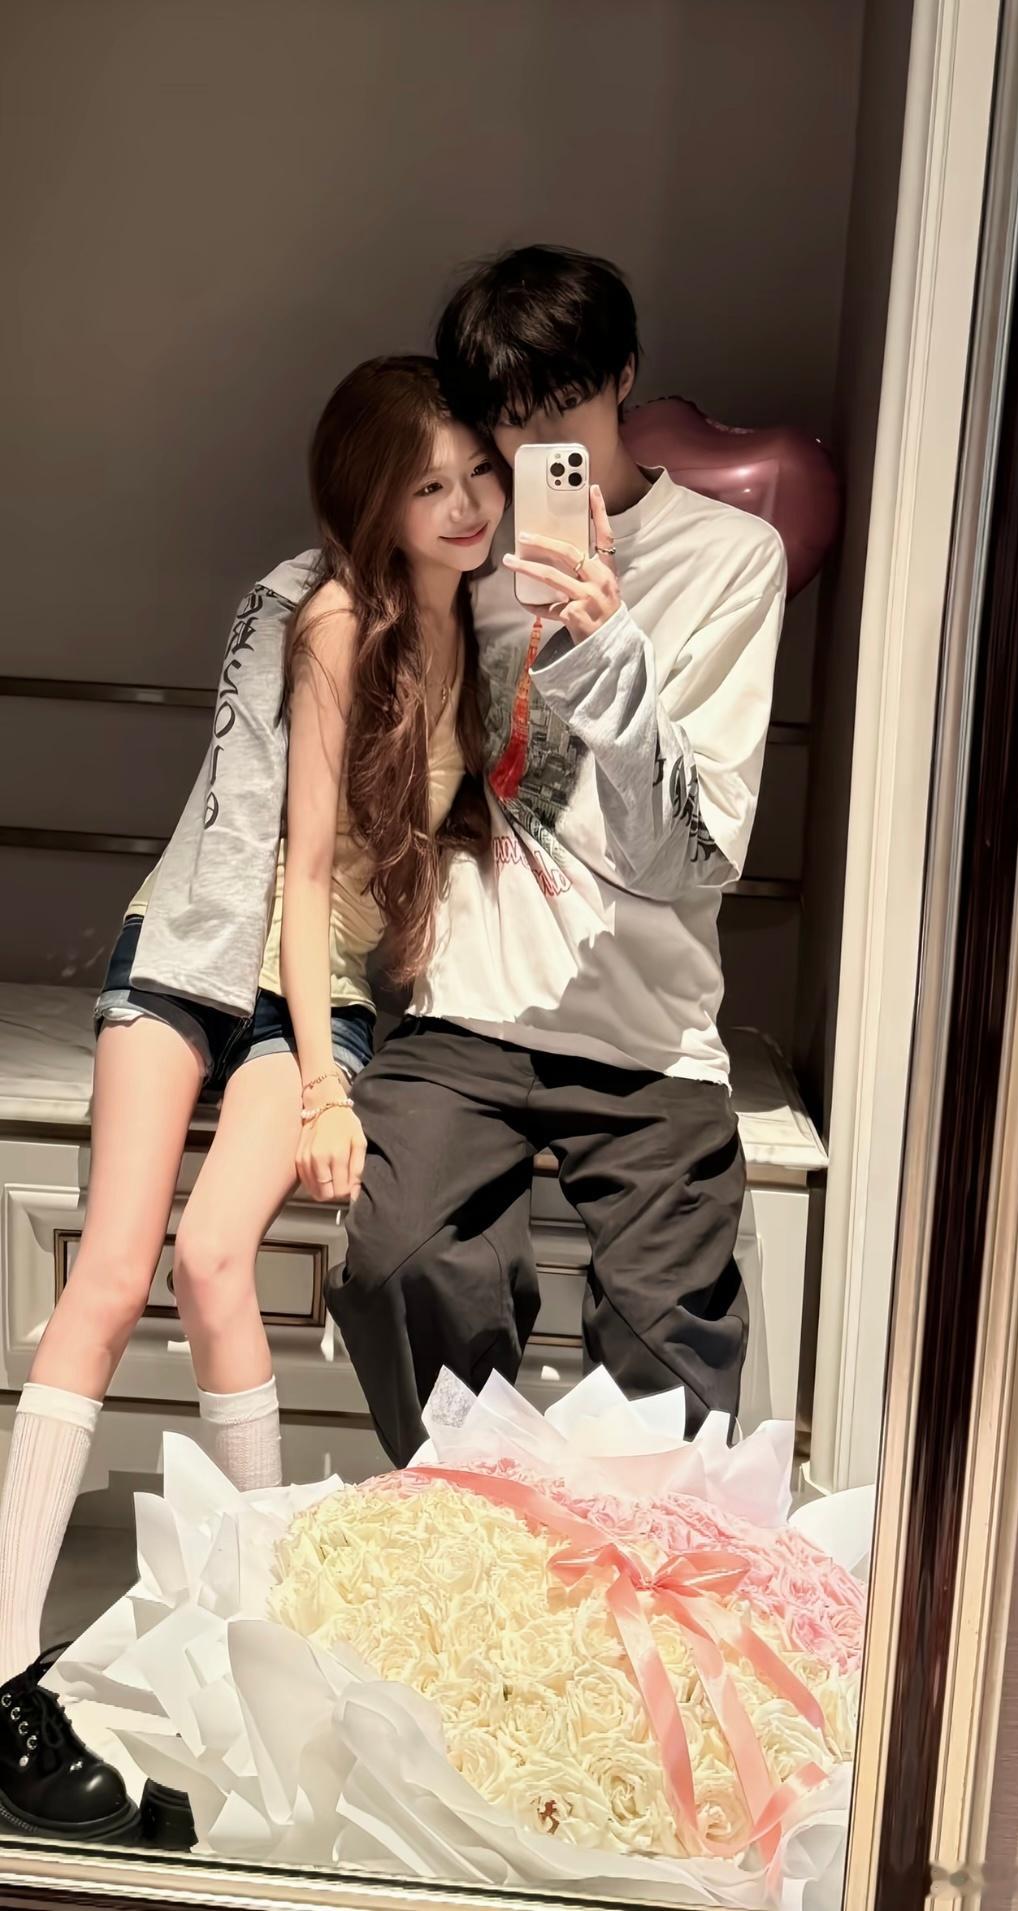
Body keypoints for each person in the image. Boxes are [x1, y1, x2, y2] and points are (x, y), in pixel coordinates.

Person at [0, 355, 504, 1838]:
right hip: (209, 957)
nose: (466, 504)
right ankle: (5, 1675)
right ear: (373, 499)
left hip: (324, 988)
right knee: (108, 1274)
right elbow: (298, 868)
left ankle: (261, 1638)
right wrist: (329, 1091)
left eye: (478, 472)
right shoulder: (333, 614)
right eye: (429, 484)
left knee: (217, 1258)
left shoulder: (488, 620)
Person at [326, 246, 787, 1465]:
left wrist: (605, 643)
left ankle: (613, 1567)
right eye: (508, 422)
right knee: (397, 1267)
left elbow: (691, 857)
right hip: (467, 1009)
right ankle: (478, 1518)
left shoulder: (731, 559)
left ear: (625, 377)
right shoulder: (468, 548)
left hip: (646, 1035)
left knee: (670, 1376)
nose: (534, 451)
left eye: (562, 411)